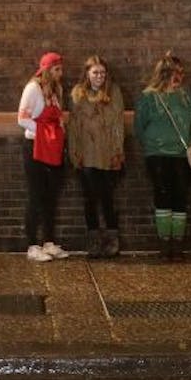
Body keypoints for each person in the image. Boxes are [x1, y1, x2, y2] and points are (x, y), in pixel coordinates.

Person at [134, 53, 191, 261]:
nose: (179, 77)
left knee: (180, 197)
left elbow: (190, 122)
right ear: (164, 73)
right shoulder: (149, 97)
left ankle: (177, 245)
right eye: (174, 73)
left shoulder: (185, 94)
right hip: (158, 154)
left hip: (181, 154)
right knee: (163, 195)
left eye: (181, 72)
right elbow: (139, 126)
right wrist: (152, 144)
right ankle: (164, 244)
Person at [66, 56, 125, 259]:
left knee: (108, 198)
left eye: (102, 72)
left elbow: (117, 123)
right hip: (86, 153)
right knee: (90, 198)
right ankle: (93, 241)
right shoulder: (77, 94)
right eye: (95, 72)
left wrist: (118, 152)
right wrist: (75, 153)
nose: (99, 76)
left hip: (108, 154)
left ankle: (111, 240)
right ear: (87, 74)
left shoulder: (113, 92)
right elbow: (73, 127)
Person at [17, 51, 69, 262]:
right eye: (57, 69)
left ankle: (48, 241)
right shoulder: (33, 88)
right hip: (35, 147)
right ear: (47, 70)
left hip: (52, 148)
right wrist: (45, 132)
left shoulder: (54, 91)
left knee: (50, 196)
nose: (60, 74)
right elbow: (22, 118)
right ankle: (32, 244)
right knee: (36, 195)